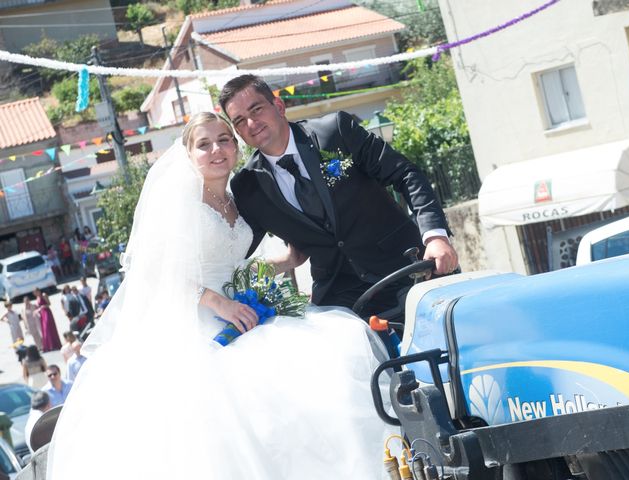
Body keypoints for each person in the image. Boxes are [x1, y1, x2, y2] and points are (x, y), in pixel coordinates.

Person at [46, 112, 392, 479]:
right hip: (197, 325)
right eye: (204, 143)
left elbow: (232, 268)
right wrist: (218, 303)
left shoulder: (235, 198)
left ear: (236, 146)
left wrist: (286, 260)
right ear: (188, 153)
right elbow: (157, 273)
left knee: (335, 354)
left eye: (224, 139)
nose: (216, 150)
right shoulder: (179, 202)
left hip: (243, 310)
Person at [220, 74, 459, 319]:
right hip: (341, 298)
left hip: (409, 270)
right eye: (239, 120)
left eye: (256, 109)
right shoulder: (248, 186)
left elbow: (405, 174)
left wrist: (435, 237)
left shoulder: (335, 131)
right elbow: (236, 251)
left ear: (279, 106)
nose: (251, 123)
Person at [34, 288, 62, 352]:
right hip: (42, 314)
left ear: (39, 291)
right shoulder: (37, 297)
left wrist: (42, 306)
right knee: (45, 329)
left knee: (49, 327)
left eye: (36, 292)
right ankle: (49, 345)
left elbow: (49, 304)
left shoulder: (43, 295)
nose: (36, 293)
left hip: (47, 312)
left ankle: (54, 344)